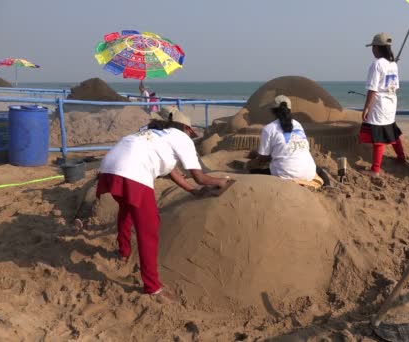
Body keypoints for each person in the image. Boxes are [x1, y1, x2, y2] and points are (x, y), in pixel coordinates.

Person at [96, 110, 232, 299]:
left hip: (108, 168)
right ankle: (153, 287)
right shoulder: (181, 138)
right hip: (133, 172)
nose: (191, 135)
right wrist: (221, 181)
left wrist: (192, 190)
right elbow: (200, 177)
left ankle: (123, 251)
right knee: (149, 229)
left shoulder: (154, 134)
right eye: (191, 132)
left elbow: (173, 172)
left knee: (126, 208)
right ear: (186, 129)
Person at [248, 95, 329, 187]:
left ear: (273, 111)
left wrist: (257, 156)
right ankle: (328, 187)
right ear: (290, 110)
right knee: (319, 170)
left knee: (253, 169)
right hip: (308, 173)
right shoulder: (298, 124)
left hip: (285, 174)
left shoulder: (269, 128)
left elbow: (262, 158)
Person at [359, 32, 406, 177]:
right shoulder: (393, 64)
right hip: (391, 102)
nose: (372, 50)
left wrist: (366, 107)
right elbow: (394, 86)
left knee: (378, 136)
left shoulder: (377, 64)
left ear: (378, 48)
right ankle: (401, 157)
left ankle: (375, 169)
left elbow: (373, 89)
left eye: (373, 47)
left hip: (379, 104)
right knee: (391, 130)